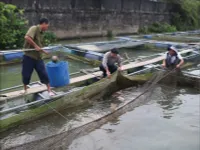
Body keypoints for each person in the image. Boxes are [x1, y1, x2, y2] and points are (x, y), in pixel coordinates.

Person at [22, 18, 54, 96]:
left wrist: (44, 51)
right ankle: (25, 90)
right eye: (47, 25)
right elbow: (27, 37)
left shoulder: (42, 33)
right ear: (43, 23)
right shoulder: (34, 28)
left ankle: (49, 90)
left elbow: (39, 47)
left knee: (44, 74)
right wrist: (35, 46)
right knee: (26, 74)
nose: (47, 27)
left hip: (38, 57)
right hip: (29, 56)